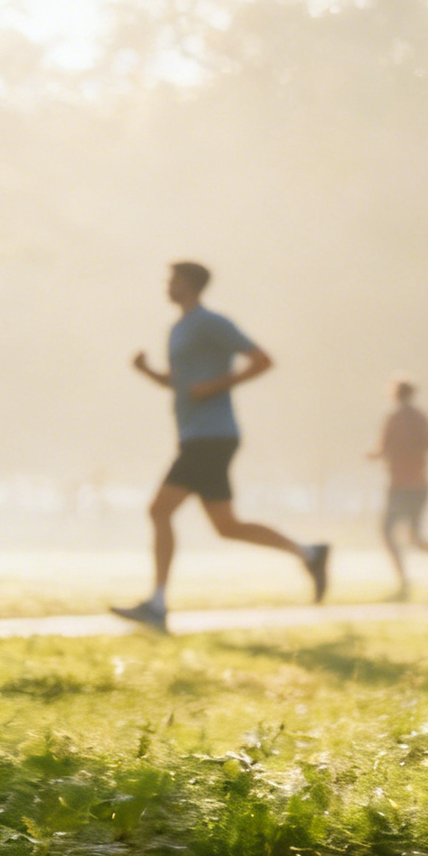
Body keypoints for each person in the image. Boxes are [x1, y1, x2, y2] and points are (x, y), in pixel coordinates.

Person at [112, 262, 329, 634]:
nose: (167, 285)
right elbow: (181, 383)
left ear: (190, 284)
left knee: (159, 510)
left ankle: (157, 604)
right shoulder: (179, 328)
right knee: (227, 526)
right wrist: (147, 371)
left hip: (211, 435)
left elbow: (262, 360)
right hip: (196, 435)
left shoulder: (211, 322)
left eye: (173, 279)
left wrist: (215, 386)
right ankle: (310, 553)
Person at [370, 380, 428, 600]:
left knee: (390, 533)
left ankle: (405, 583)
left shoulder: (395, 419)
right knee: (413, 537)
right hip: (418, 485)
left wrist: (382, 455)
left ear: (394, 395)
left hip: (401, 485)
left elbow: (382, 449)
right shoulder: (420, 418)